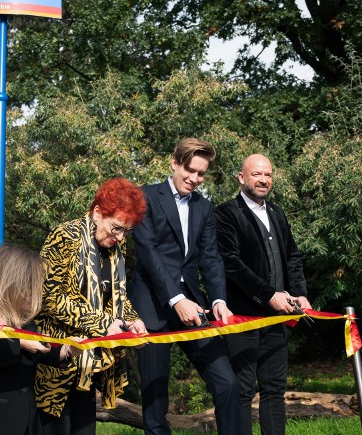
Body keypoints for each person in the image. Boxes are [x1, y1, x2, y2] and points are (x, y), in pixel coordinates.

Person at [129, 137, 241, 435]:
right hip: (152, 307)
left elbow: (211, 258)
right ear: (174, 163)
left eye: (201, 174)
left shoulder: (204, 206)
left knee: (227, 382)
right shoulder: (145, 197)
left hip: (195, 306)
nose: (194, 179)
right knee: (155, 401)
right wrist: (176, 298)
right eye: (189, 170)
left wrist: (218, 300)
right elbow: (149, 252)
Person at [34, 177, 148, 435]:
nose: (120, 237)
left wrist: (132, 320)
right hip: (58, 361)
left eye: (126, 231)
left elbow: (116, 296)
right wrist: (103, 324)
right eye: (117, 228)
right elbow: (48, 296)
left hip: (92, 364)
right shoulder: (64, 236)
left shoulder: (116, 246)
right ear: (97, 213)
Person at [214, 154, 311, 435]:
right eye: (257, 174)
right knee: (243, 391)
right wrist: (268, 294)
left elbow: (292, 257)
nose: (263, 180)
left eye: (268, 175)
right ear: (242, 178)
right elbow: (231, 264)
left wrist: (300, 293)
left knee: (274, 390)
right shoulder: (226, 214)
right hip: (243, 318)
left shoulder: (278, 213)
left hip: (278, 319)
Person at [0, 244, 81, 435]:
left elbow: (41, 352)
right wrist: (22, 343)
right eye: (31, 285)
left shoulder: (23, 320)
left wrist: (67, 350)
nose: (36, 292)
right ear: (12, 284)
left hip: (29, 420)